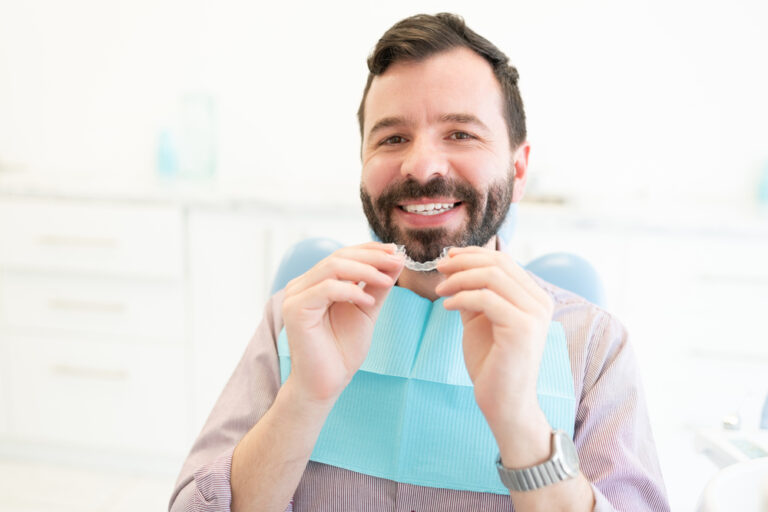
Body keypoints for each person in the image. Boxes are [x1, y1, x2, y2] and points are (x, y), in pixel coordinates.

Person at [169, 13, 669, 512]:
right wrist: (303, 399)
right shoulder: (296, 319)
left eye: (460, 134)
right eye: (392, 139)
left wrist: (520, 420)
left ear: (518, 170)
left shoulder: (595, 346)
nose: (421, 165)